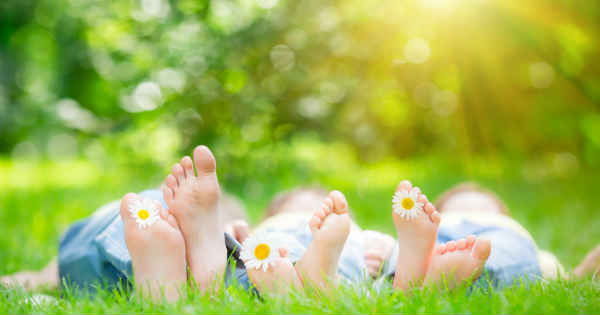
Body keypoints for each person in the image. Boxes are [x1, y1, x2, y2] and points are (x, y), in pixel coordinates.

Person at [2, 146, 599, 300]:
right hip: (359, 256)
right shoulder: (378, 240)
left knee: (231, 252)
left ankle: (194, 267)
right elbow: (553, 271)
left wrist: (33, 276)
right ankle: (403, 276)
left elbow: (51, 271)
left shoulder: (258, 225)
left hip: (258, 246)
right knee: (511, 254)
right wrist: (573, 272)